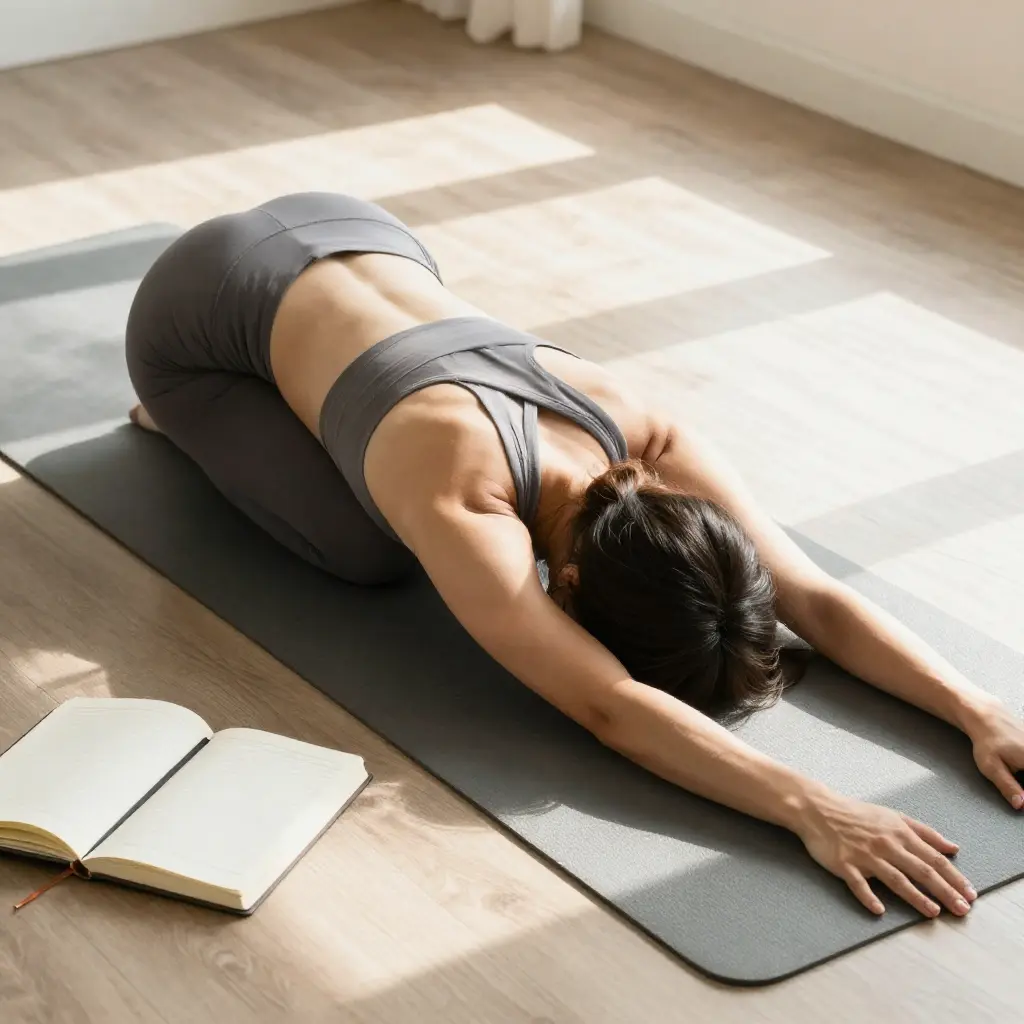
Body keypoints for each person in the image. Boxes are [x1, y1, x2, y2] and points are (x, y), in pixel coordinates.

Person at [126, 192, 1024, 919]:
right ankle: (180, 416)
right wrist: (810, 806)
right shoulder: (459, 492)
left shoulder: (646, 435)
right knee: (366, 552)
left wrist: (980, 710)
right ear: (568, 586)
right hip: (192, 306)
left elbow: (814, 600)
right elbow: (608, 702)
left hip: (352, 223)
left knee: (378, 497)